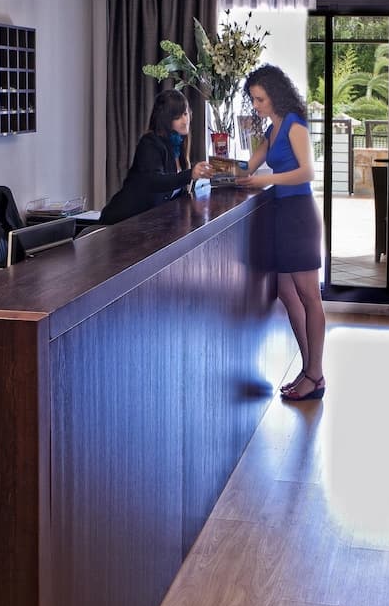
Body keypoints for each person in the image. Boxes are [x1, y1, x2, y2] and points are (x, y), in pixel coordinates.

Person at [237, 65, 326, 402]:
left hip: (299, 215)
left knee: (308, 295)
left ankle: (315, 375)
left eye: (260, 99)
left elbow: (307, 172)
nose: (256, 105)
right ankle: (308, 369)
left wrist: (265, 180)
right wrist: (218, 169)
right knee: (287, 293)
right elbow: (248, 167)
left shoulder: (294, 124)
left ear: (275, 94)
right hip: (282, 215)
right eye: (253, 99)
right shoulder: (272, 131)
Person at [100, 90, 212, 225]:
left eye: (185, 113)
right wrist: (190, 174)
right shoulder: (149, 143)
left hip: (148, 223)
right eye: (177, 117)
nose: (184, 120)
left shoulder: (178, 144)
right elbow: (155, 181)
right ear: (165, 119)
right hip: (123, 220)